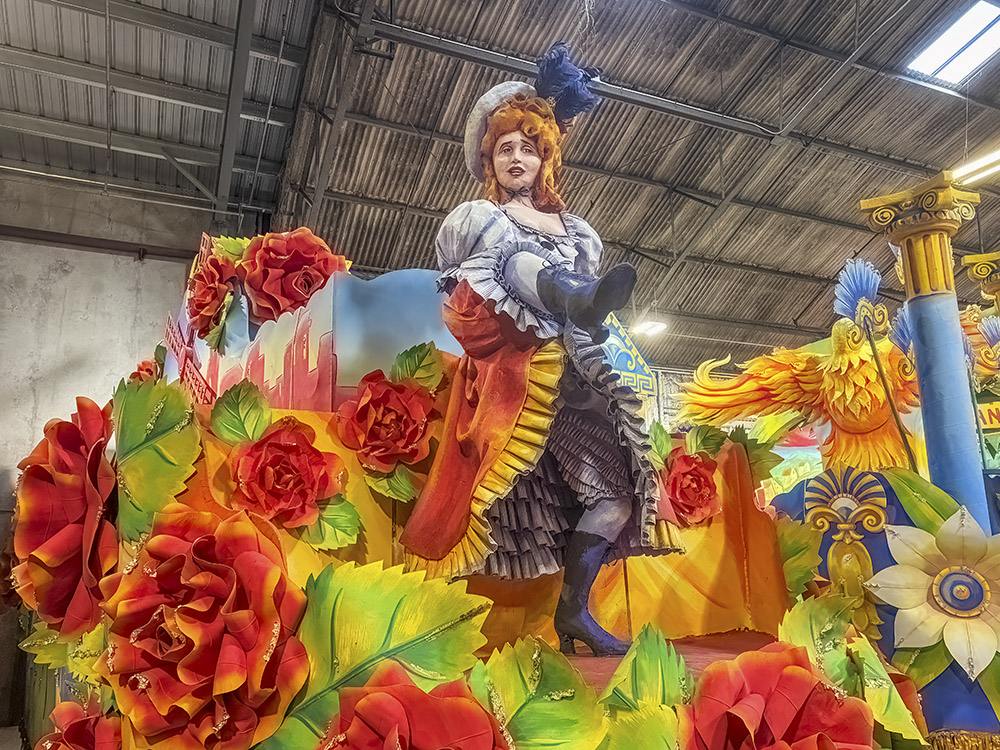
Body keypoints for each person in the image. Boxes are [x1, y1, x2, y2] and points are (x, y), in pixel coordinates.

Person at [399, 46, 679, 656]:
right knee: (518, 261)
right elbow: (467, 305)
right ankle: (576, 297)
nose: (517, 157)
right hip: (518, 374)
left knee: (616, 498)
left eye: (528, 147)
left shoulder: (575, 231)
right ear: (489, 161)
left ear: (546, 158)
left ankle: (573, 613)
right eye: (505, 148)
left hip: (576, 376)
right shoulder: (481, 221)